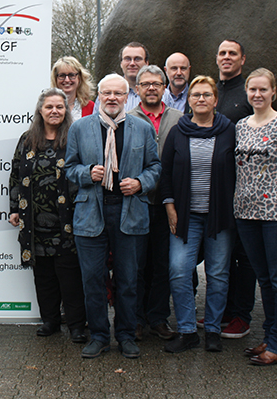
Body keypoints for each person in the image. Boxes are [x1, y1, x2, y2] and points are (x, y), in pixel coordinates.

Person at [65, 74, 161, 359]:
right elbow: (69, 168)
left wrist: (141, 183)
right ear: (99, 95)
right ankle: (99, 336)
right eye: (106, 93)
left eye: (118, 93)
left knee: (129, 280)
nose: (112, 98)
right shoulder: (80, 128)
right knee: (92, 280)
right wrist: (86, 173)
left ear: (126, 96)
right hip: (90, 212)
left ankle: (126, 335)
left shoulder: (142, 128)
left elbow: (155, 167)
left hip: (129, 212)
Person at [160, 76, 236, 354]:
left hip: (220, 215)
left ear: (216, 100)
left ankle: (213, 330)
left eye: (206, 94)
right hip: (185, 216)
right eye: (196, 95)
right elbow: (165, 172)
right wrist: (170, 207)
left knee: (218, 273)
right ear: (189, 100)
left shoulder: (229, 131)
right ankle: (187, 331)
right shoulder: (178, 132)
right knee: (179, 271)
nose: (201, 99)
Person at [234, 68, 277, 366]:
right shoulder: (241, 125)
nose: (258, 94)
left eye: (263, 89)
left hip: (276, 215)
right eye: (253, 89)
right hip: (245, 214)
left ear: (273, 92)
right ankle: (270, 335)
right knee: (264, 279)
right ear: (247, 92)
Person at [9, 88, 87, 343]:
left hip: (69, 220)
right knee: (43, 276)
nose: (54, 111)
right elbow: (15, 174)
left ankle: (77, 325)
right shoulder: (27, 139)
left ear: (66, 111)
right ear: (40, 111)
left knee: (70, 276)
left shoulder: (75, 137)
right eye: (49, 107)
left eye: (59, 107)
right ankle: (50, 320)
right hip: (34, 221)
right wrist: (14, 208)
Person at [128, 65, 182, 342]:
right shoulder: (127, 119)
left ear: (164, 88)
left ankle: (158, 318)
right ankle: (136, 319)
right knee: (136, 265)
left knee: (163, 264)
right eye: (146, 84)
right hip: (136, 202)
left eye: (156, 84)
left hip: (167, 204)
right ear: (137, 89)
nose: (151, 88)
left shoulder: (179, 119)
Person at [216, 39, 256, 340]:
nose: (226, 57)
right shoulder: (213, 92)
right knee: (224, 255)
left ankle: (242, 315)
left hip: (244, 188)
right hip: (218, 189)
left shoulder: (247, 95)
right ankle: (225, 311)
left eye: (232, 53)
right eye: (222, 53)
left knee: (244, 255)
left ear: (242, 59)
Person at [120, 43, 149, 112]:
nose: (132, 63)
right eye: (127, 59)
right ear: (121, 63)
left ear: (146, 63)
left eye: (137, 59)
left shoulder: (163, 94)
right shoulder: (107, 93)